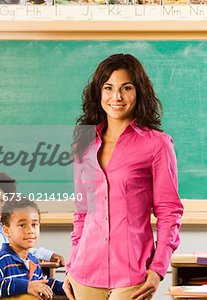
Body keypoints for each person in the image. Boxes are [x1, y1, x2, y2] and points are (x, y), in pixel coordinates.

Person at [64, 54, 184, 300]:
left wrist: (158, 269)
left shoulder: (157, 145)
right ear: (99, 93)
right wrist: (71, 265)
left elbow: (169, 213)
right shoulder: (84, 144)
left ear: (138, 92)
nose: (116, 97)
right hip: (85, 273)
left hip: (133, 275)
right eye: (108, 88)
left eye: (125, 88)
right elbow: (82, 214)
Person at [0, 197, 65, 299]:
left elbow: (41, 284)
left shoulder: (33, 261)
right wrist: (26, 286)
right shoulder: (2, 261)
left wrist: (65, 287)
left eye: (34, 224)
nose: (30, 230)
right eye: (22, 225)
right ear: (7, 231)